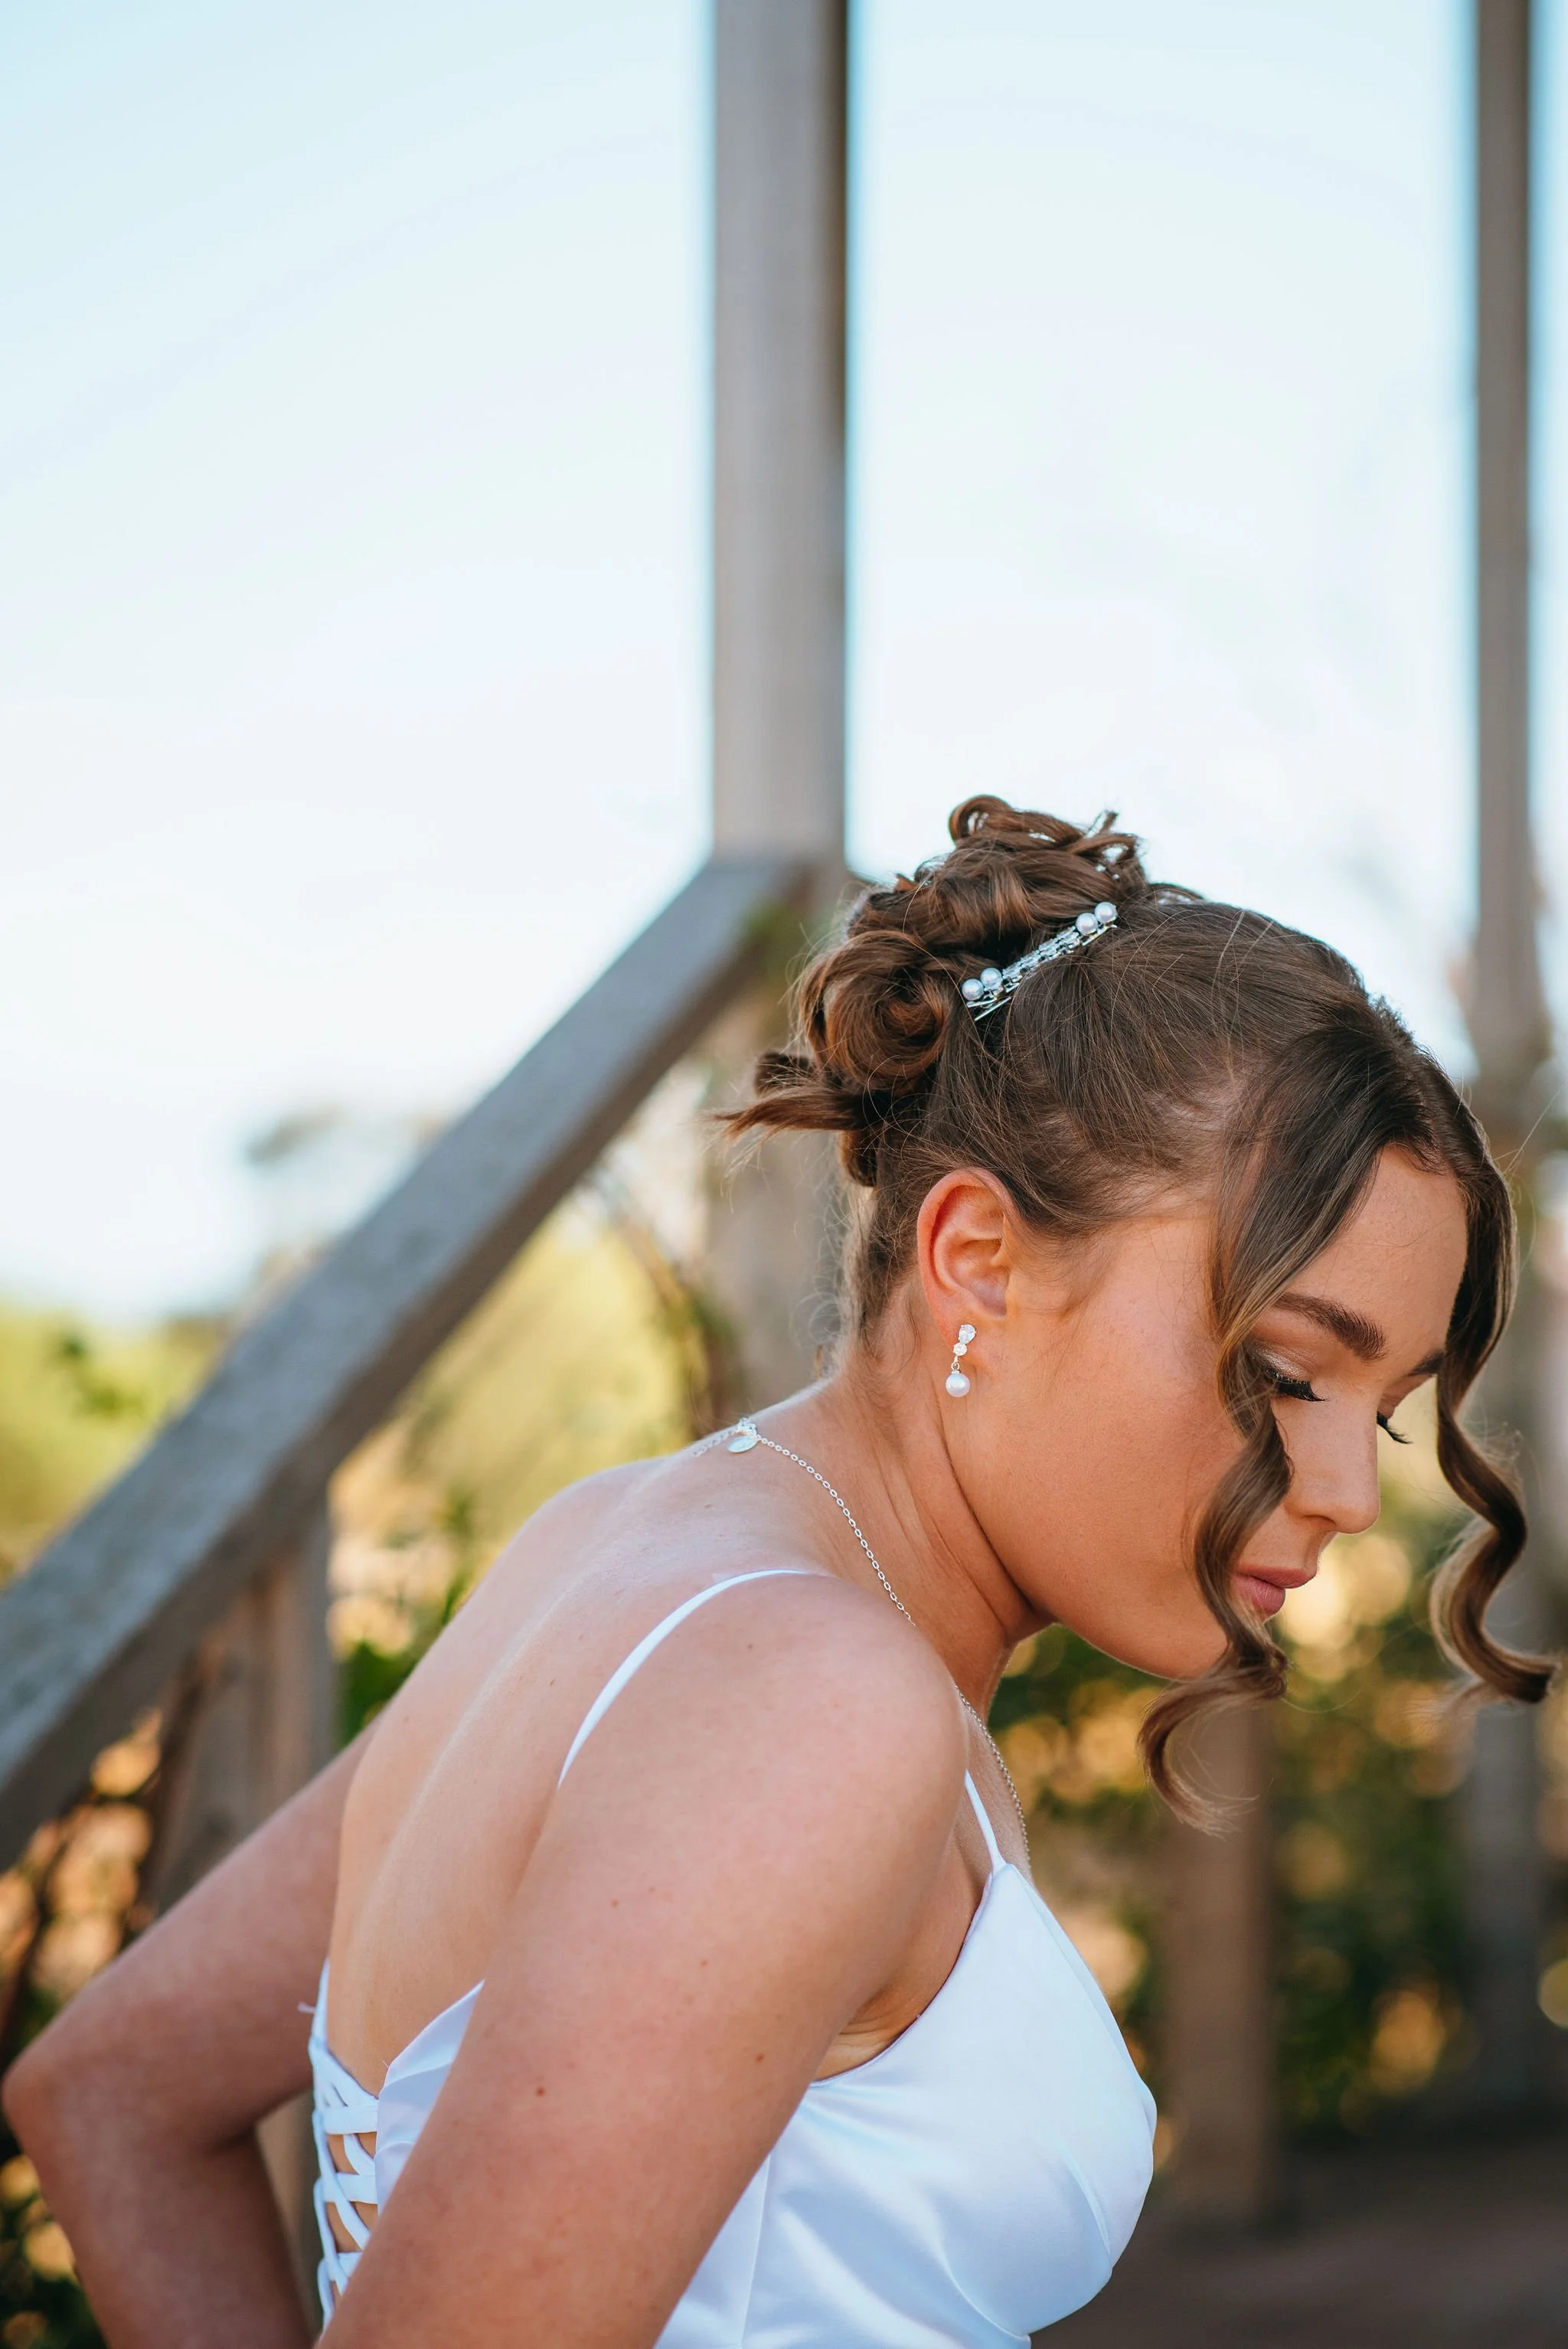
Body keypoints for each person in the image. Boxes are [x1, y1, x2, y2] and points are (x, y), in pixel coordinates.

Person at [3, 799, 1547, 2348]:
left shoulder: (612, 1546)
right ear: (976, 1259)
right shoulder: (813, 1708)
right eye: (1285, 1374)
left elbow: (114, 2089)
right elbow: (116, 2096)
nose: (1350, 1493)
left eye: (1383, 1409)